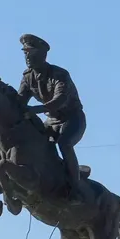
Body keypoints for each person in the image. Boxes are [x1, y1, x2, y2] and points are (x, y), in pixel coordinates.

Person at [17, 34, 88, 201]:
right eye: (25, 52)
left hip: (72, 118)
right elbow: (19, 101)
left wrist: (36, 109)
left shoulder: (59, 74)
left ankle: (75, 187)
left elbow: (60, 100)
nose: (27, 56)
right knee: (38, 144)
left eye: (31, 52)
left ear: (42, 54)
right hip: (51, 121)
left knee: (64, 144)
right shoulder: (28, 77)